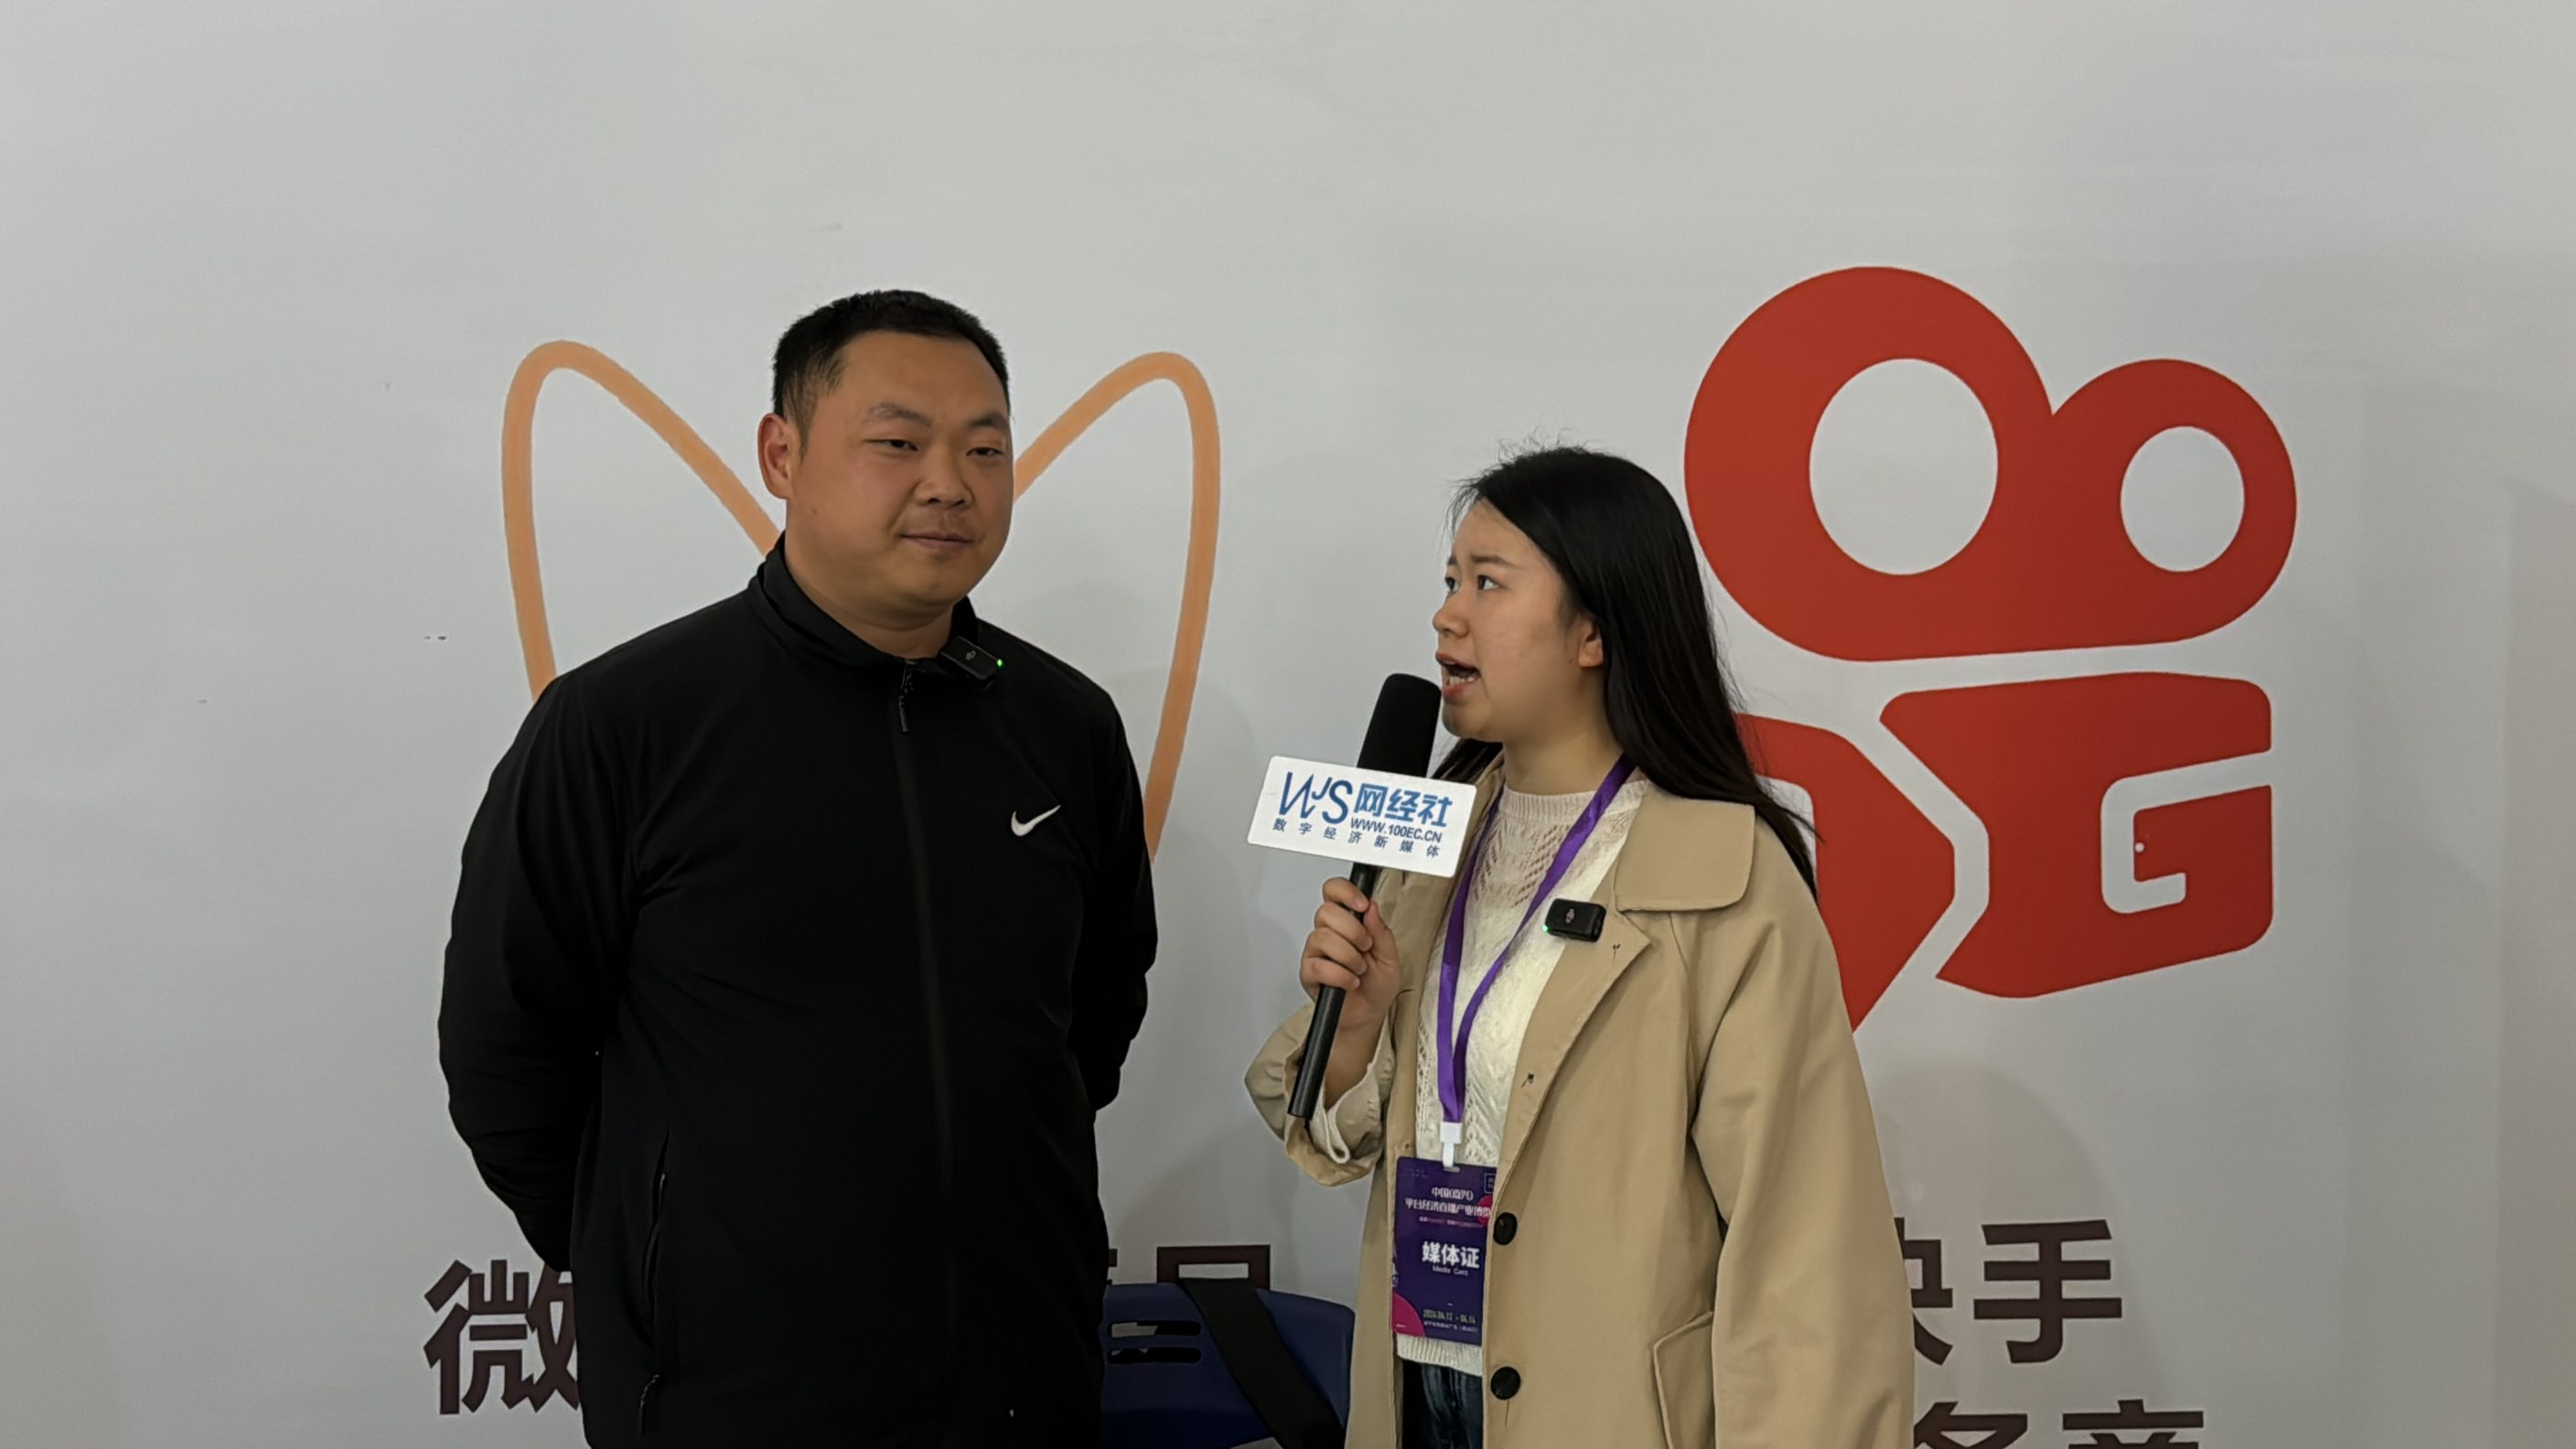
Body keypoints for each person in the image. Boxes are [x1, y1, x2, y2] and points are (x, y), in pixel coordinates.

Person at [440, 290, 1157, 1448]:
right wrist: (660, 1270)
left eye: (984, 449)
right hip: (728, 1394)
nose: (949, 483)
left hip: (1020, 1372)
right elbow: (506, 1046)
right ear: (781, 454)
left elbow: (1094, 1014)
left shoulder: (1063, 723)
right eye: (897, 443)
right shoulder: (626, 723)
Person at [1246, 445, 1913, 1447]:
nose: (1447, 617)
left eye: (1487, 583)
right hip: (1416, 1387)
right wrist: (1356, 1031)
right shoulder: (1431, 844)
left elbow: (1805, 1248)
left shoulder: (1722, 875)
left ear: (1593, 631)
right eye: (1449, 581)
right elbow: (1353, 1118)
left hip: (1606, 1411)